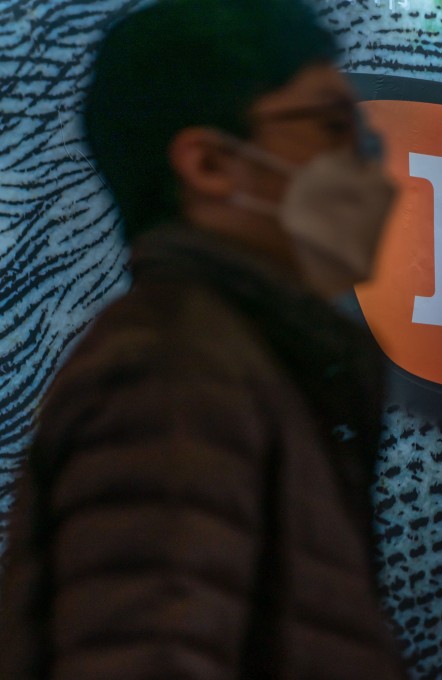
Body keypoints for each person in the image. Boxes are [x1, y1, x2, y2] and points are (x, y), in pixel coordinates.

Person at [0, 0, 404, 677]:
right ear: (211, 164)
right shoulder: (177, 370)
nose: (369, 166)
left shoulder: (250, 361)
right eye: (331, 127)